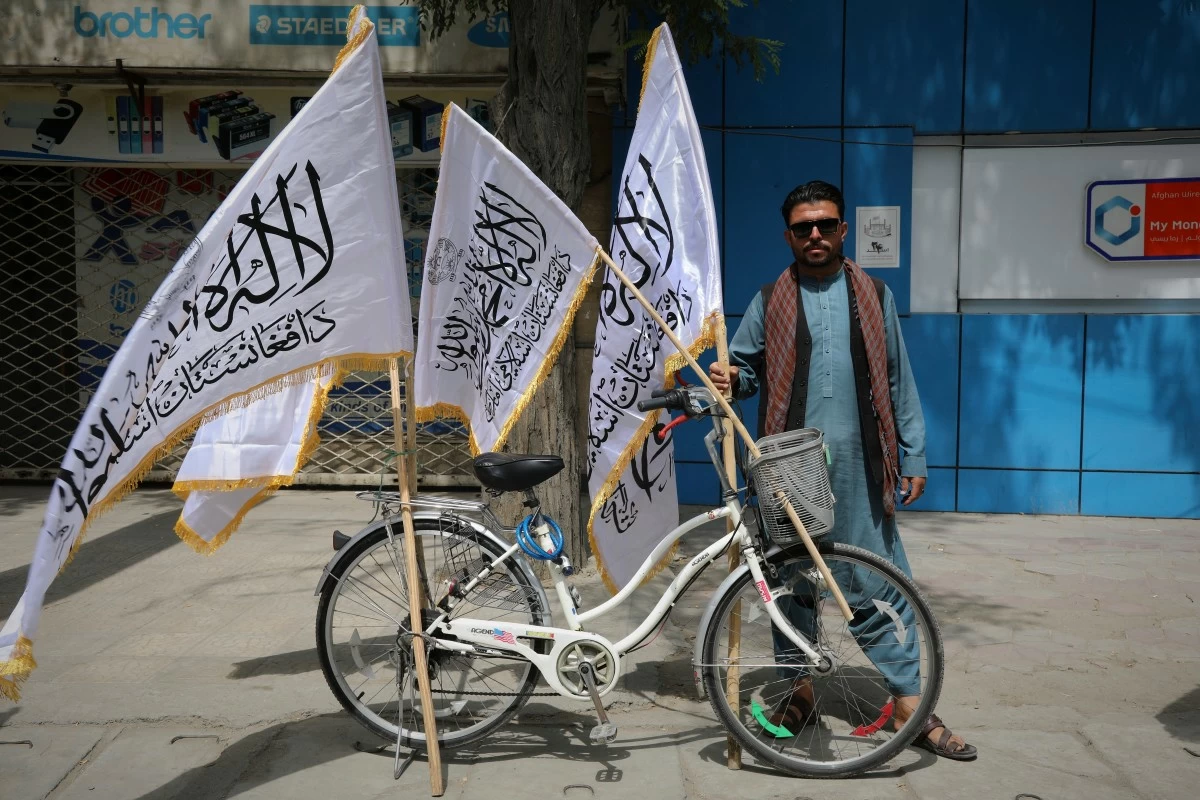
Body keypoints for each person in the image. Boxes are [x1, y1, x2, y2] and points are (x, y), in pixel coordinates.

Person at [709, 180, 976, 761]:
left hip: (861, 465)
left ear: (842, 231)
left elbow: (899, 379)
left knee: (877, 581)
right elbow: (747, 370)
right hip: (788, 469)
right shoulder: (769, 299)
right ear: (788, 236)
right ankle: (798, 688)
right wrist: (733, 379)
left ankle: (909, 701)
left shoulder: (874, 295)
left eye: (825, 224)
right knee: (790, 582)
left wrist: (915, 453)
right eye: (803, 227)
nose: (814, 235)